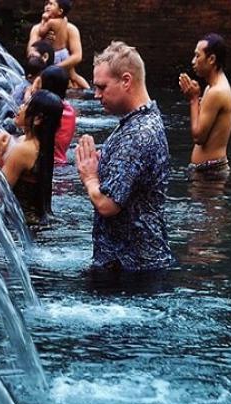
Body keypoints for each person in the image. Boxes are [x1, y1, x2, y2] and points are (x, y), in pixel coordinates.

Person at [75, 41, 175, 272]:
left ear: (126, 81)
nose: (96, 95)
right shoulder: (142, 120)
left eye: (102, 87)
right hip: (135, 262)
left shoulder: (138, 134)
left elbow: (108, 205)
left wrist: (89, 177)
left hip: (132, 269)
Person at [0, 89, 63, 219]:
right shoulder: (36, 143)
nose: (21, 106)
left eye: (27, 104)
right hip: (35, 219)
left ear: (38, 119)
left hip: (24, 223)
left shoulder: (24, 150)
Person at [179, 33, 231, 182]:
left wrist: (193, 99)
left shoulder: (216, 91)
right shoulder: (212, 88)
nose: (193, 61)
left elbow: (199, 137)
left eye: (197, 56)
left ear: (211, 59)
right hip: (208, 170)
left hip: (211, 172)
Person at [26, 0, 90, 89]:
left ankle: (89, 91)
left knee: (72, 77)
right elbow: (30, 53)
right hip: (42, 68)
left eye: (51, 4)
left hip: (63, 67)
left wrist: (54, 69)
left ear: (60, 10)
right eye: (46, 3)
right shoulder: (36, 29)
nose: (47, 6)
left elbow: (77, 56)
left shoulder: (70, 29)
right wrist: (44, 42)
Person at [30, 65, 77, 166]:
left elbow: (25, 116)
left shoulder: (45, 110)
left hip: (41, 162)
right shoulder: (70, 110)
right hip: (61, 160)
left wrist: (33, 90)